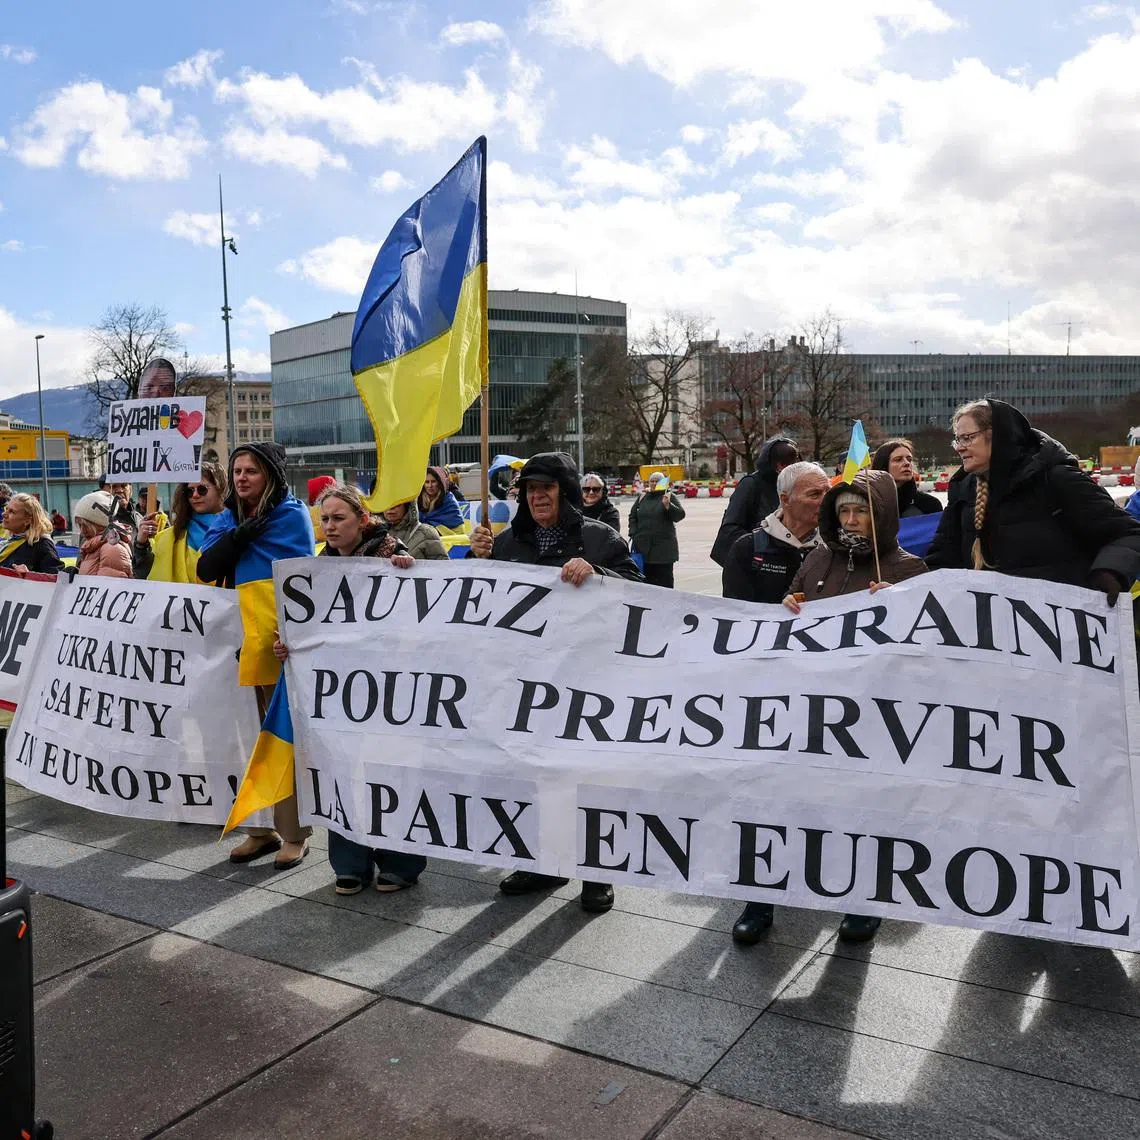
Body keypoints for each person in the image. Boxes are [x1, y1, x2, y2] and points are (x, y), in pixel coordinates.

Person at [469, 451, 642, 914]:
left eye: (545, 488)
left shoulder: (599, 538)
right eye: (530, 489)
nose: (537, 497)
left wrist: (600, 573)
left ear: (563, 493)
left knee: (589, 779)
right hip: (528, 683)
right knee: (536, 775)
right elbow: (481, 606)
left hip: (588, 683)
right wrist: (475, 559)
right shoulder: (507, 542)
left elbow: (641, 593)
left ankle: (597, 873)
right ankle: (545, 861)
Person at [775, 469, 928, 945]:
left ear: (880, 514)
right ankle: (762, 899)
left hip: (872, 716)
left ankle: (863, 904)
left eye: (861, 509)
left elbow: (926, 655)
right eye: (843, 510)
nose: (852, 518)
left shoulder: (909, 571)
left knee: (864, 814)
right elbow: (793, 608)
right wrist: (790, 602)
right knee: (795, 806)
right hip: (814, 705)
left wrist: (901, 610)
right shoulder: (818, 559)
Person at [274, 485, 422, 894]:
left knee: (389, 774)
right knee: (341, 773)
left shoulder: (395, 557)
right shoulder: (314, 572)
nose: (329, 526)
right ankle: (350, 862)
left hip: (389, 691)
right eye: (324, 519)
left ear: (362, 519)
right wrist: (286, 645)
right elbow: (304, 631)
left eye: (339, 518)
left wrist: (413, 575)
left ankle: (400, 862)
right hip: (339, 696)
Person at [721, 461, 831, 944]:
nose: (824, 502)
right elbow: (735, 621)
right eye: (814, 494)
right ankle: (759, 900)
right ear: (784, 500)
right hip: (768, 697)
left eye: (827, 493)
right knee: (763, 800)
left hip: (827, 698)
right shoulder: (750, 548)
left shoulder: (840, 552)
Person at [197, 442, 316, 870]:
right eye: (238, 470)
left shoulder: (291, 514)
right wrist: (238, 537)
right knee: (244, 736)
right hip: (236, 639)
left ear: (270, 475)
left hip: (274, 641)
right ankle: (257, 830)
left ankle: (294, 833)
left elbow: (301, 578)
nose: (242, 477)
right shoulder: (229, 517)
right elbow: (206, 568)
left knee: (278, 735)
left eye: (252, 471)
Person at [927, 399, 1140, 592]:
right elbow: (943, 558)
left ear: (998, 436)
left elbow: (1127, 534)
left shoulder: (1056, 478)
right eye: (957, 440)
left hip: (1060, 625)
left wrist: (1109, 573)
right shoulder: (963, 490)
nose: (959, 448)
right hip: (991, 626)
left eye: (967, 438)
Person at [710, 436, 800, 565]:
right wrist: (766, 537)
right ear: (778, 465)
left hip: (779, 562)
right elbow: (730, 528)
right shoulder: (751, 484)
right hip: (751, 563)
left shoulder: (791, 486)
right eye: (787, 465)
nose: (793, 471)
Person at [147, 462, 228, 584]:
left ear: (220, 489)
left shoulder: (237, 529)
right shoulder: (171, 535)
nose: (195, 495)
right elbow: (146, 570)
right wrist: (141, 545)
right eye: (190, 491)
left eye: (202, 489)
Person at [628, 472, 686, 588]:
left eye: (657, 481)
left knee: (664, 584)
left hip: (663, 552)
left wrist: (668, 505)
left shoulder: (669, 496)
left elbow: (680, 515)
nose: (654, 483)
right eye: (652, 481)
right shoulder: (642, 497)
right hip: (643, 548)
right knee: (647, 584)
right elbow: (632, 516)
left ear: (663, 483)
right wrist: (634, 533)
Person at [871, 439, 942, 517]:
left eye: (909, 459)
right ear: (883, 465)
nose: (907, 463)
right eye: (898, 460)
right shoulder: (867, 505)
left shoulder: (930, 504)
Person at [0, 493, 65, 575]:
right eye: (6, 509)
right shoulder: (8, 542)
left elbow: (56, 579)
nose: (4, 514)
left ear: (27, 521)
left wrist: (29, 575)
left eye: (12, 511)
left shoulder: (42, 544)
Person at [74, 491, 134, 579]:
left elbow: (109, 588)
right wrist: (76, 572)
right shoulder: (95, 546)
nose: (82, 531)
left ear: (99, 523)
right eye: (80, 525)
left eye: (86, 525)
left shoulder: (112, 548)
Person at [107, 480, 156, 578]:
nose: (119, 490)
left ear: (131, 490)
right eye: (114, 486)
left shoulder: (141, 519)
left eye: (124, 486)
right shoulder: (99, 519)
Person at [382, 499, 448, 560]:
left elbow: (442, 568)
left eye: (397, 503)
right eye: (385, 503)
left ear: (408, 505)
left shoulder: (426, 533)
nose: (390, 508)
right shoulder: (375, 534)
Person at [417, 466, 464, 530]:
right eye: (427, 482)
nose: (430, 486)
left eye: (433, 481)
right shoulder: (417, 501)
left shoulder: (449, 502)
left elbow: (458, 528)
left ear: (440, 483)